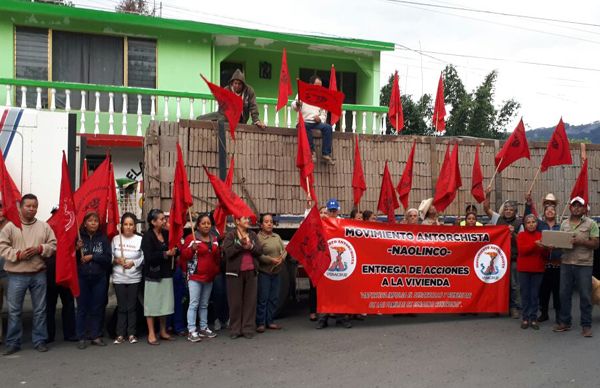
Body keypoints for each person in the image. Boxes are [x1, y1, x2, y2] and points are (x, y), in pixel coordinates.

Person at [0, 194, 56, 355]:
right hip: (16, 275)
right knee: (14, 310)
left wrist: (40, 249)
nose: (32, 209)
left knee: (39, 310)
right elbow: (2, 247)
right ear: (21, 207)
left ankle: (39, 340)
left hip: (38, 273)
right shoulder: (10, 227)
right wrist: (18, 255)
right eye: (28, 206)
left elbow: (53, 245)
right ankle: (13, 342)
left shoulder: (44, 226)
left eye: (34, 206)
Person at [553, 197, 599, 337]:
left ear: (584, 209)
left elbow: (596, 244)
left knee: (585, 295)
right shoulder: (564, 224)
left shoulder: (591, 224)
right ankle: (565, 322)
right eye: (574, 206)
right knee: (564, 294)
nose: (577, 208)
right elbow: (561, 243)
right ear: (570, 208)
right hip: (566, 263)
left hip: (583, 264)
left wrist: (580, 241)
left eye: (580, 206)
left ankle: (586, 325)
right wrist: (553, 244)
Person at [180, 213, 220, 342]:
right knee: (194, 304)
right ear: (198, 225)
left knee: (204, 304)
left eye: (208, 223)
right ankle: (192, 330)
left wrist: (216, 269)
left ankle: (203, 328)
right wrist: (191, 249)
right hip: (195, 277)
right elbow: (184, 256)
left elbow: (217, 257)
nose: (206, 225)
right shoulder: (191, 238)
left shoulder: (214, 239)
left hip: (209, 277)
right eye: (203, 223)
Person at [483, 188, 522, 319]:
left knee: (514, 285)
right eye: (506, 209)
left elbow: (522, 241)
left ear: (515, 212)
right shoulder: (497, 219)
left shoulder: (519, 223)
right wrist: (487, 194)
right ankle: (496, 307)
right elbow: (486, 208)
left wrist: (513, 234)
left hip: (513, 258)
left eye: (511, 209)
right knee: (496, 283)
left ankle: (514, 307)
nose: (508, 211)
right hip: (498, 259)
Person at [75, 212, 111, 349]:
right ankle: (81, 336)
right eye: (90, 221)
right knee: (82, 308)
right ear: (85, 223)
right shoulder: (79, 238)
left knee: (97, 307)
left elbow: (108, 258)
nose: (93, 223)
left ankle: (95, 335)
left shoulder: (103, 238)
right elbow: (70, 259)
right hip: (82, 277)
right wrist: (77, 249)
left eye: (96, 221)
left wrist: (92, 257)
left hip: (99, 277)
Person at [222, 216, 262, 339]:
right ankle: (235, 329)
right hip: (235, 274)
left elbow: (260, 250)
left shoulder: (253, 235)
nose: (247, 221)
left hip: (251, 272)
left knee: (250, 302)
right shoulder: (231, 235)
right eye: (244, 219)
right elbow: (227, 252)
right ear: (237, 221)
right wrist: (240, 243)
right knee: (235, 302)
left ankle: (248, 328)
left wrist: (250, 247)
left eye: (248, 219)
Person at [141, 209, 178, 345]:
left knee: (164, 303)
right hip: (153, 275)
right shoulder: (147, 237)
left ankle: (162, 331)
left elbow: (175, 248)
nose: (164, 221)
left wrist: (174, 251)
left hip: (166, 273)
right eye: (161, 219)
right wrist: (165, 254)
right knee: (151, 305)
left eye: (164, 219)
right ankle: (151, 332)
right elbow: (149, 257)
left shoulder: (167, 234)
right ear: (153, 222)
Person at [524, 193, 561, 323]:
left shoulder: (561, 226)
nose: (550, 211)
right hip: (543, 264)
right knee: (543, 291)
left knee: (558, 292)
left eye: (552, 210)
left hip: (557, 264)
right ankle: (544, 313)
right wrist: (528, 204)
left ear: (555, 213)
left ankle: (559, 315)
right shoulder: (539, 225)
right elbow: (528, 218)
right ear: (544, 213)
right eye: (547, 210)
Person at [317, 201, 352, 330]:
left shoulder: (343, 222)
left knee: (340, 290)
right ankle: (322, 319)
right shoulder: (321, 221)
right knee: (324, 290)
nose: (332, 212)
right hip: (325, 260)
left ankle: (342, 318)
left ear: (338, 210)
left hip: (340, 260)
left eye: (334, 210)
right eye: (330, 210)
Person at [111, 212, 144, 345]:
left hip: (134, 277)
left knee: (131, 307)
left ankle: (131, 333)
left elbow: (143, 257)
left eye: (131, 224)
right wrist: (117, 260)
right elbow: (110, 256)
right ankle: (120, 334)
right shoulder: (115, 239)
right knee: (121, 307)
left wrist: (133, 263)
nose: (128, 227)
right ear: (121, 226)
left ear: (135, 227)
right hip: (119, 277)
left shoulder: (139, 239)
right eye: (126, 224)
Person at [197, 69, 266, 128]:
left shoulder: (249, 91)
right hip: (226, 116)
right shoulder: (226, 90)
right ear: (232, 83)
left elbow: (253, 106)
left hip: (241, 119)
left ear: (243, 85)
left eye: (239, 84)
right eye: (235, 83)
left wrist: (256, 120)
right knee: (201, 119)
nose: (237, 86)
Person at [291, 75, 335, 165]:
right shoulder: (302, 93)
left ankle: (326, 154)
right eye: (316, 86)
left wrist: (320, 119)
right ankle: (311, 152)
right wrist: (297, 104)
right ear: (311, 85)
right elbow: (294, 107)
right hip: (303, 122)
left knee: (328, 128)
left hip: (316, 123)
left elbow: (324, 113)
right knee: (305, 126)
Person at [256, 213, 286, 333]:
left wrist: (282, 258)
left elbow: (284, 250)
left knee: (274, 298)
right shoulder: (258, 238)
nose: (269, 224)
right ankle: (260, 323)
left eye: (271, 222)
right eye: (266, 222)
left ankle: (270, 321)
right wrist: (270, 260)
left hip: (277, 272)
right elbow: (258, 254)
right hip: (265, 272)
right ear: (261, 224)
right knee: (263, 298)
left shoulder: (277, 236)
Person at [517, 214, 546, 330]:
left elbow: (544, 255)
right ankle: (525, 318)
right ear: (525, 224)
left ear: (537, 223)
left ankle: (533, 318)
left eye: (533, 222)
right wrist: (535, 244)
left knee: (535, 295)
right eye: (528, 222)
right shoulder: (521, 235)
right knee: (525, 295)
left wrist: (546, 248)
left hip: (538, 269)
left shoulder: (541, 235)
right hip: (524, 269)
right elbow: (522, 251)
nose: (531, 224)